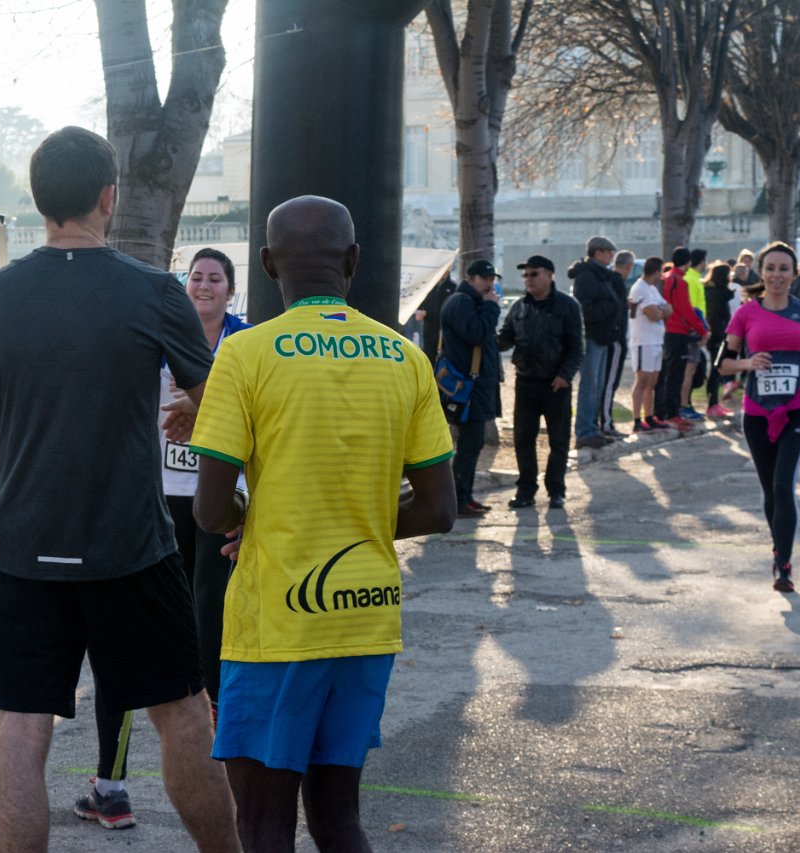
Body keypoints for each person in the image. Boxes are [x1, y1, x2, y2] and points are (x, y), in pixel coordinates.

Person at [0, 127, 240, 853]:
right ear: (110, 197)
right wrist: (180, 411)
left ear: (39, 202)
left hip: (25, 548)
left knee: (21, 731)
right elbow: (223, 409)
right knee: (183, 715)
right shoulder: (154, 290)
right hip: (130, 545)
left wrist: (44, 425)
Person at [190, 194, 456, 853]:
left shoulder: (245, 354)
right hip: (366, 615)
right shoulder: (404, 356)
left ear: (267, 264)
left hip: (277, 623)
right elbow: (439, 508)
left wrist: (254, 519)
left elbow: (210, 509)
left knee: (264, 824)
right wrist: (355, 521)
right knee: (339, 821)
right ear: (353, 261)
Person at [71, 247, 251, 834]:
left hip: (220, 504)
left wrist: (207, 420)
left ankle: (231, 779)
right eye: (196, 277)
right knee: (124, 643)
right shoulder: (152, 336)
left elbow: (260, 420)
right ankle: (110, 785)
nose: (204, 286)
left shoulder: (244, 343)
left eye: (215, 278)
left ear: (230, 291)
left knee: (209, 637)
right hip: (153, 504)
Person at [718, 241, 800, 593]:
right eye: (771, 268)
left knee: (782, 485)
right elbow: (722, 364)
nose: (777, 275)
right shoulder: (745, 313)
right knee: (769, 491)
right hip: (757, 412)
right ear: (762, 273)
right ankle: (779, 549)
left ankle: (784, 567)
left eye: (783, 269)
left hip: (796, 410)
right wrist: (748, 362)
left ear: (794, 274)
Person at [497, 255, 582, 508]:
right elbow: (504, 340)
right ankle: (526, 490)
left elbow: (576, 347)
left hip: (556, 384)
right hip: (526, 382)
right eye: (525, 275)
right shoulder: (519, 307)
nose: (528, 279)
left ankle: (556, 490)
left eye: (534, 274)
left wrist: (565, 375)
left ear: (549, 275)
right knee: (523, 439)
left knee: (559, 440)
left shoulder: (567, 306)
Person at [440, 259, 503, 517]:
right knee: (468, 445)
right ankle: (458, 500)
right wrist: (491, 307)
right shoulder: (461, 303)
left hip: (475, 386)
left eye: (491, 279)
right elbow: (477, 333)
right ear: (470, 279)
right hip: (466, 387)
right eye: (484, 279)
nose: (489, 284)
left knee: (472, 444)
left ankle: (464, 496)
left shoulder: (472, 302)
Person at [568, 236, 624, 448]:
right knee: (589, 386)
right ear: (598, 252)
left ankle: (593, 428)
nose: (611, 256)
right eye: (609, 252)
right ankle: (584, 431)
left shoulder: (600, 275)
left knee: (598, 386)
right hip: (592, 336)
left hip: (602, 336)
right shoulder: (587, 276)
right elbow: (585, 309)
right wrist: (611, 308)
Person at [654, 247, 708, 429]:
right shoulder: (679, 281)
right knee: (675, 374)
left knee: (668, 373)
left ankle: (665, 411)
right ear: (688, 262)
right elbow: (686, 309)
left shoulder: (666, 278)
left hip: (666, 329)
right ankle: (673, 413)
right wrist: (702, 330)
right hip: (677, 331)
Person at [626, 257, 672, 431]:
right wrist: (660, 311)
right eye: (661, 271)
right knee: (643, 380)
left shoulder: (652, 289)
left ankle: (649, 416)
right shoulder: (640, 288)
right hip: (643, 341)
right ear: (656, 271)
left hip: (656, 341)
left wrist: (660, 311)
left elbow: (668, 308)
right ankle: (637, 420)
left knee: (652, 381)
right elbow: (653, 314)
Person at [600, 249, 634, 437]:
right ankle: (606, 423)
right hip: (616, 339)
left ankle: (605, 421)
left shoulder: (609, 280)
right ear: (628, 266)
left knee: (607, 382)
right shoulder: (617, 281)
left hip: (612, 337)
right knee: (610, 383)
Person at [703, 261, 735, 416]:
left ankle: (715, 402)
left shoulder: (721, 292)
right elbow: (714, 317)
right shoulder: (714, 293)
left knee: (718, 370)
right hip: (716, 336)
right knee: (715, 370)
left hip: (721, 334)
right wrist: (719, 335)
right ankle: (711, 404)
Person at [419, 270, 457, 363]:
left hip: (445, 327)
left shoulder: (453, 287)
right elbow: (421, 299)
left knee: (444, 354)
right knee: (428, 352)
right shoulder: (429, 284)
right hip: (429, 325)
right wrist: (420, 309)